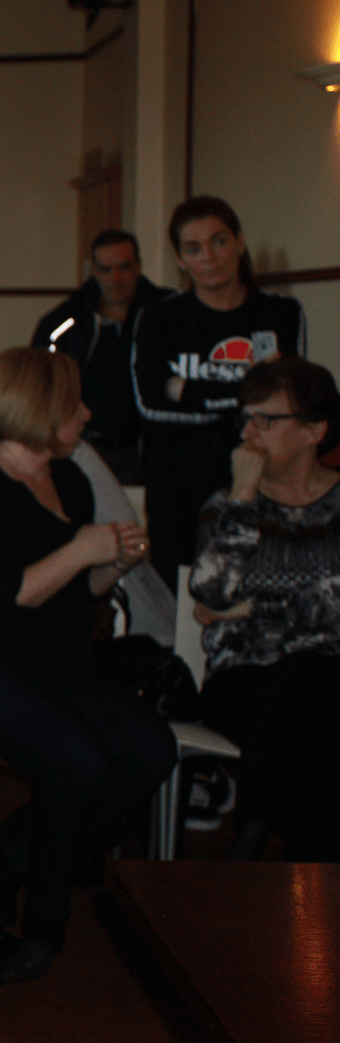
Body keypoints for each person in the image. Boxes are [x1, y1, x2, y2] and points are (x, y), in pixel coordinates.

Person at [0, 348, 175, 983]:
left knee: (151, 751)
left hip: (61, 661)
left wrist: (111, 563)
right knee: (78, 762)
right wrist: (81, 551)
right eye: (73, 405)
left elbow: (81, 592)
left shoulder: (69, 478)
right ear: (37, 411)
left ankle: (6, 860)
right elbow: (0, 601)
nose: (86, 414)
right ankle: (44, 925)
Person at [190, 356, 340, 862]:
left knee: (311, 695)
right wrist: (242, 496)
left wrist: (252, 605)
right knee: (308, 698)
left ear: (315, 430)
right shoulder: (225, 505)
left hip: (325, 679)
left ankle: (253, 838)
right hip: (243, 677)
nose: (247, 434)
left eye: (266, 420)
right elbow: (212, 595)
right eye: (246, 418)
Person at [133, 196, 305, 587]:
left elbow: (290, 406)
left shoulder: (282, 314)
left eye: (219, 241)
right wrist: (244, 396)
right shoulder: (159, 318)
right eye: (193, 248)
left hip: (261, 483)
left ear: (240, 243)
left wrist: (186, 389)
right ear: (180, 260)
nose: (209, 257)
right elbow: (149, 409)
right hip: (177, 493)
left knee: (257, 596)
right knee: (186, 605)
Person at [32, 229, 170, 485]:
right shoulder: (62, 324)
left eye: (124, 267)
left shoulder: (167, 314)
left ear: (139, 267)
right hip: (81, 446)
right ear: (93, 271)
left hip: (151, 449)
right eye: (105, 269)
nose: (115, 278)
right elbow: (41, 386)